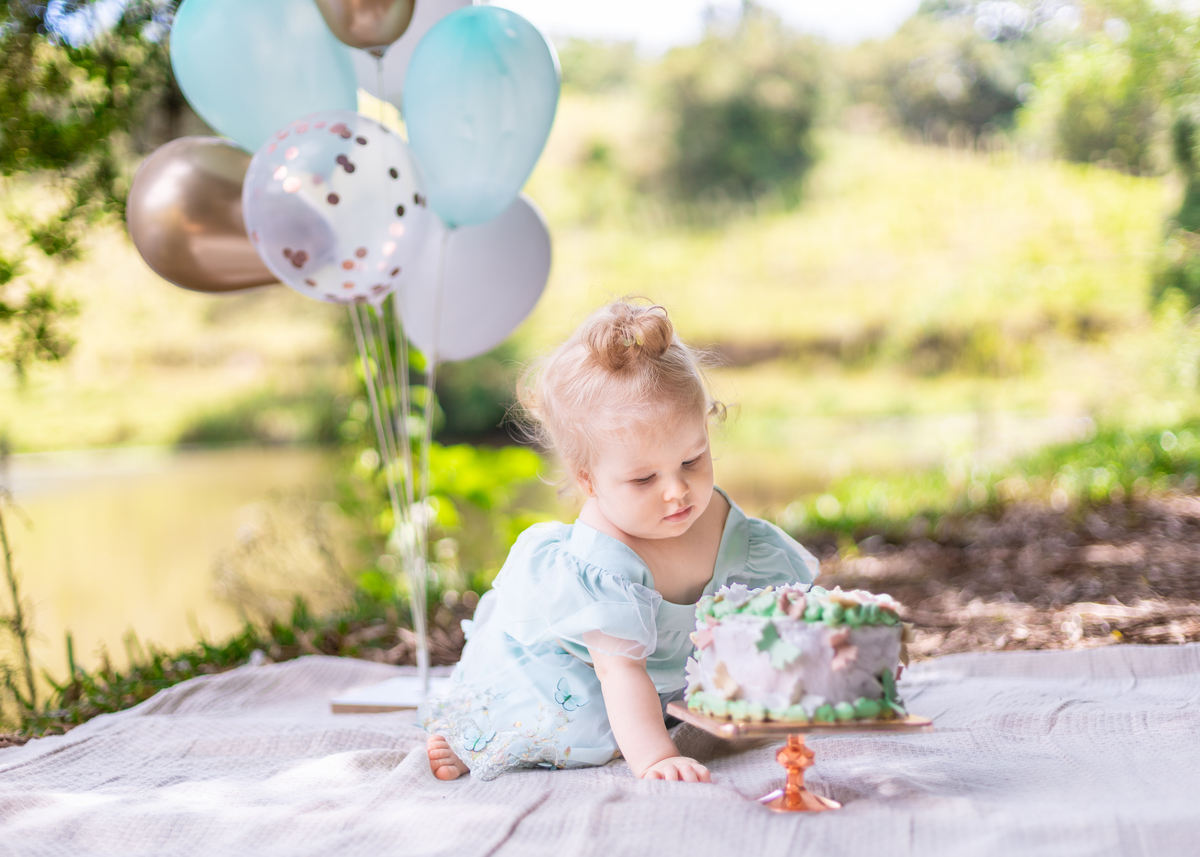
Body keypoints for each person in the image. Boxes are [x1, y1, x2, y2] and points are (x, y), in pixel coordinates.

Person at [422, 299, 818, 782]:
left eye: (692, 460)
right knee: (582, 728)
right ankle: (478, 735)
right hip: (582, 674)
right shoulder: (605, 557)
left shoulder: (721, 521)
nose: (677, 491)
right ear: (588, 480)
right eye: (644, 479)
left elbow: (771, 615)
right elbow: (620, 673)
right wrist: (658, 758)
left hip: (667, 676)